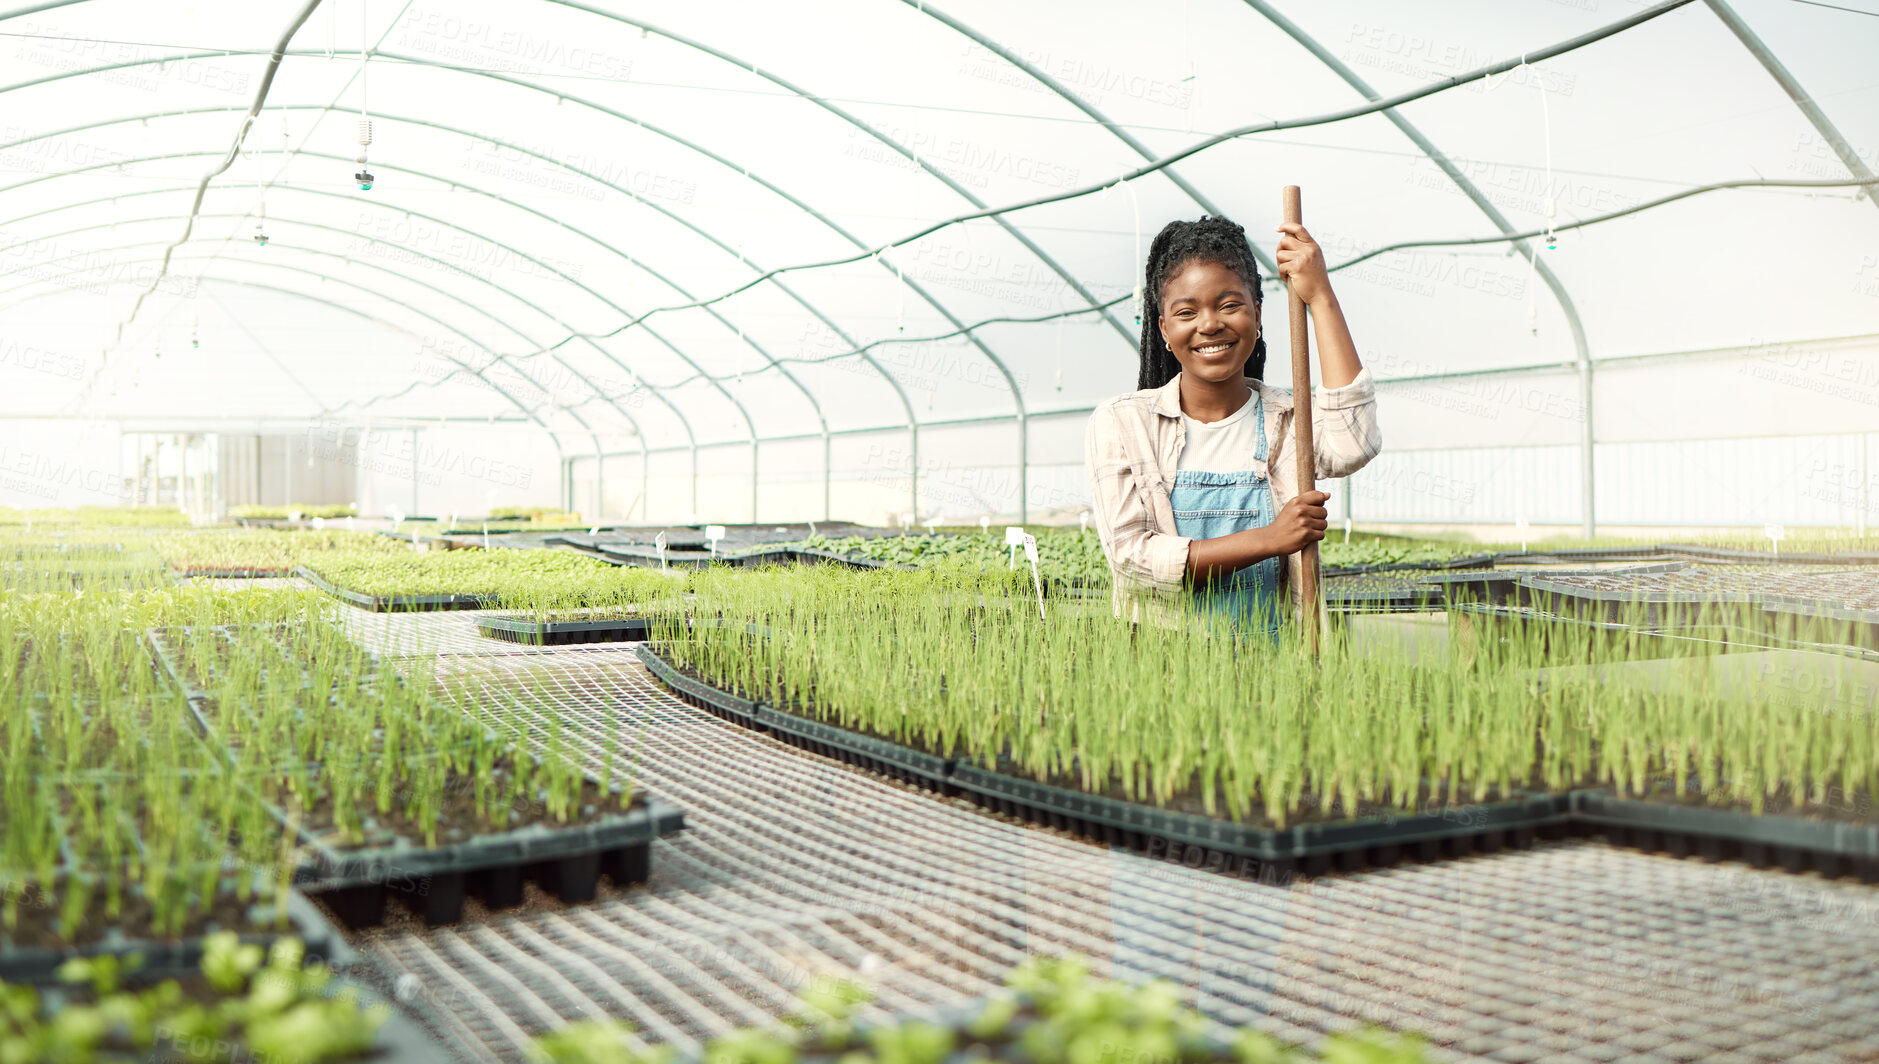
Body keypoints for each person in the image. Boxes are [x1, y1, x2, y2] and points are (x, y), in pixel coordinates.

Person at [1084, 214, 1381, 635]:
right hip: (1158, 670)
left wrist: (1320, 297)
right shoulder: (1122, 423)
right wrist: (1269, 539)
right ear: (1164, 329)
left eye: (1229, 305)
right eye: (1187, 311)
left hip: (1275, 665)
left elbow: (1354, 441)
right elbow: (1132, 561)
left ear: (1256, 315)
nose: (1209, 324)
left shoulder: (1291, 419)